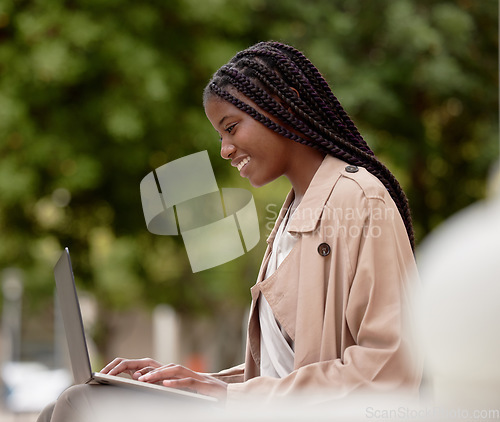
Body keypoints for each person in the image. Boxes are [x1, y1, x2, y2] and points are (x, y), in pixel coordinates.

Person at [37, 41, 421, 421]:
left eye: (232, 127)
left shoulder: (360, 198)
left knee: (82, 404)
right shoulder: (292, 215)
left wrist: (226, 397)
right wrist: (190, 382)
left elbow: (390, 370)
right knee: (66, 404)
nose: (224, 149)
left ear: (283, 104)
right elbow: (280, 372)